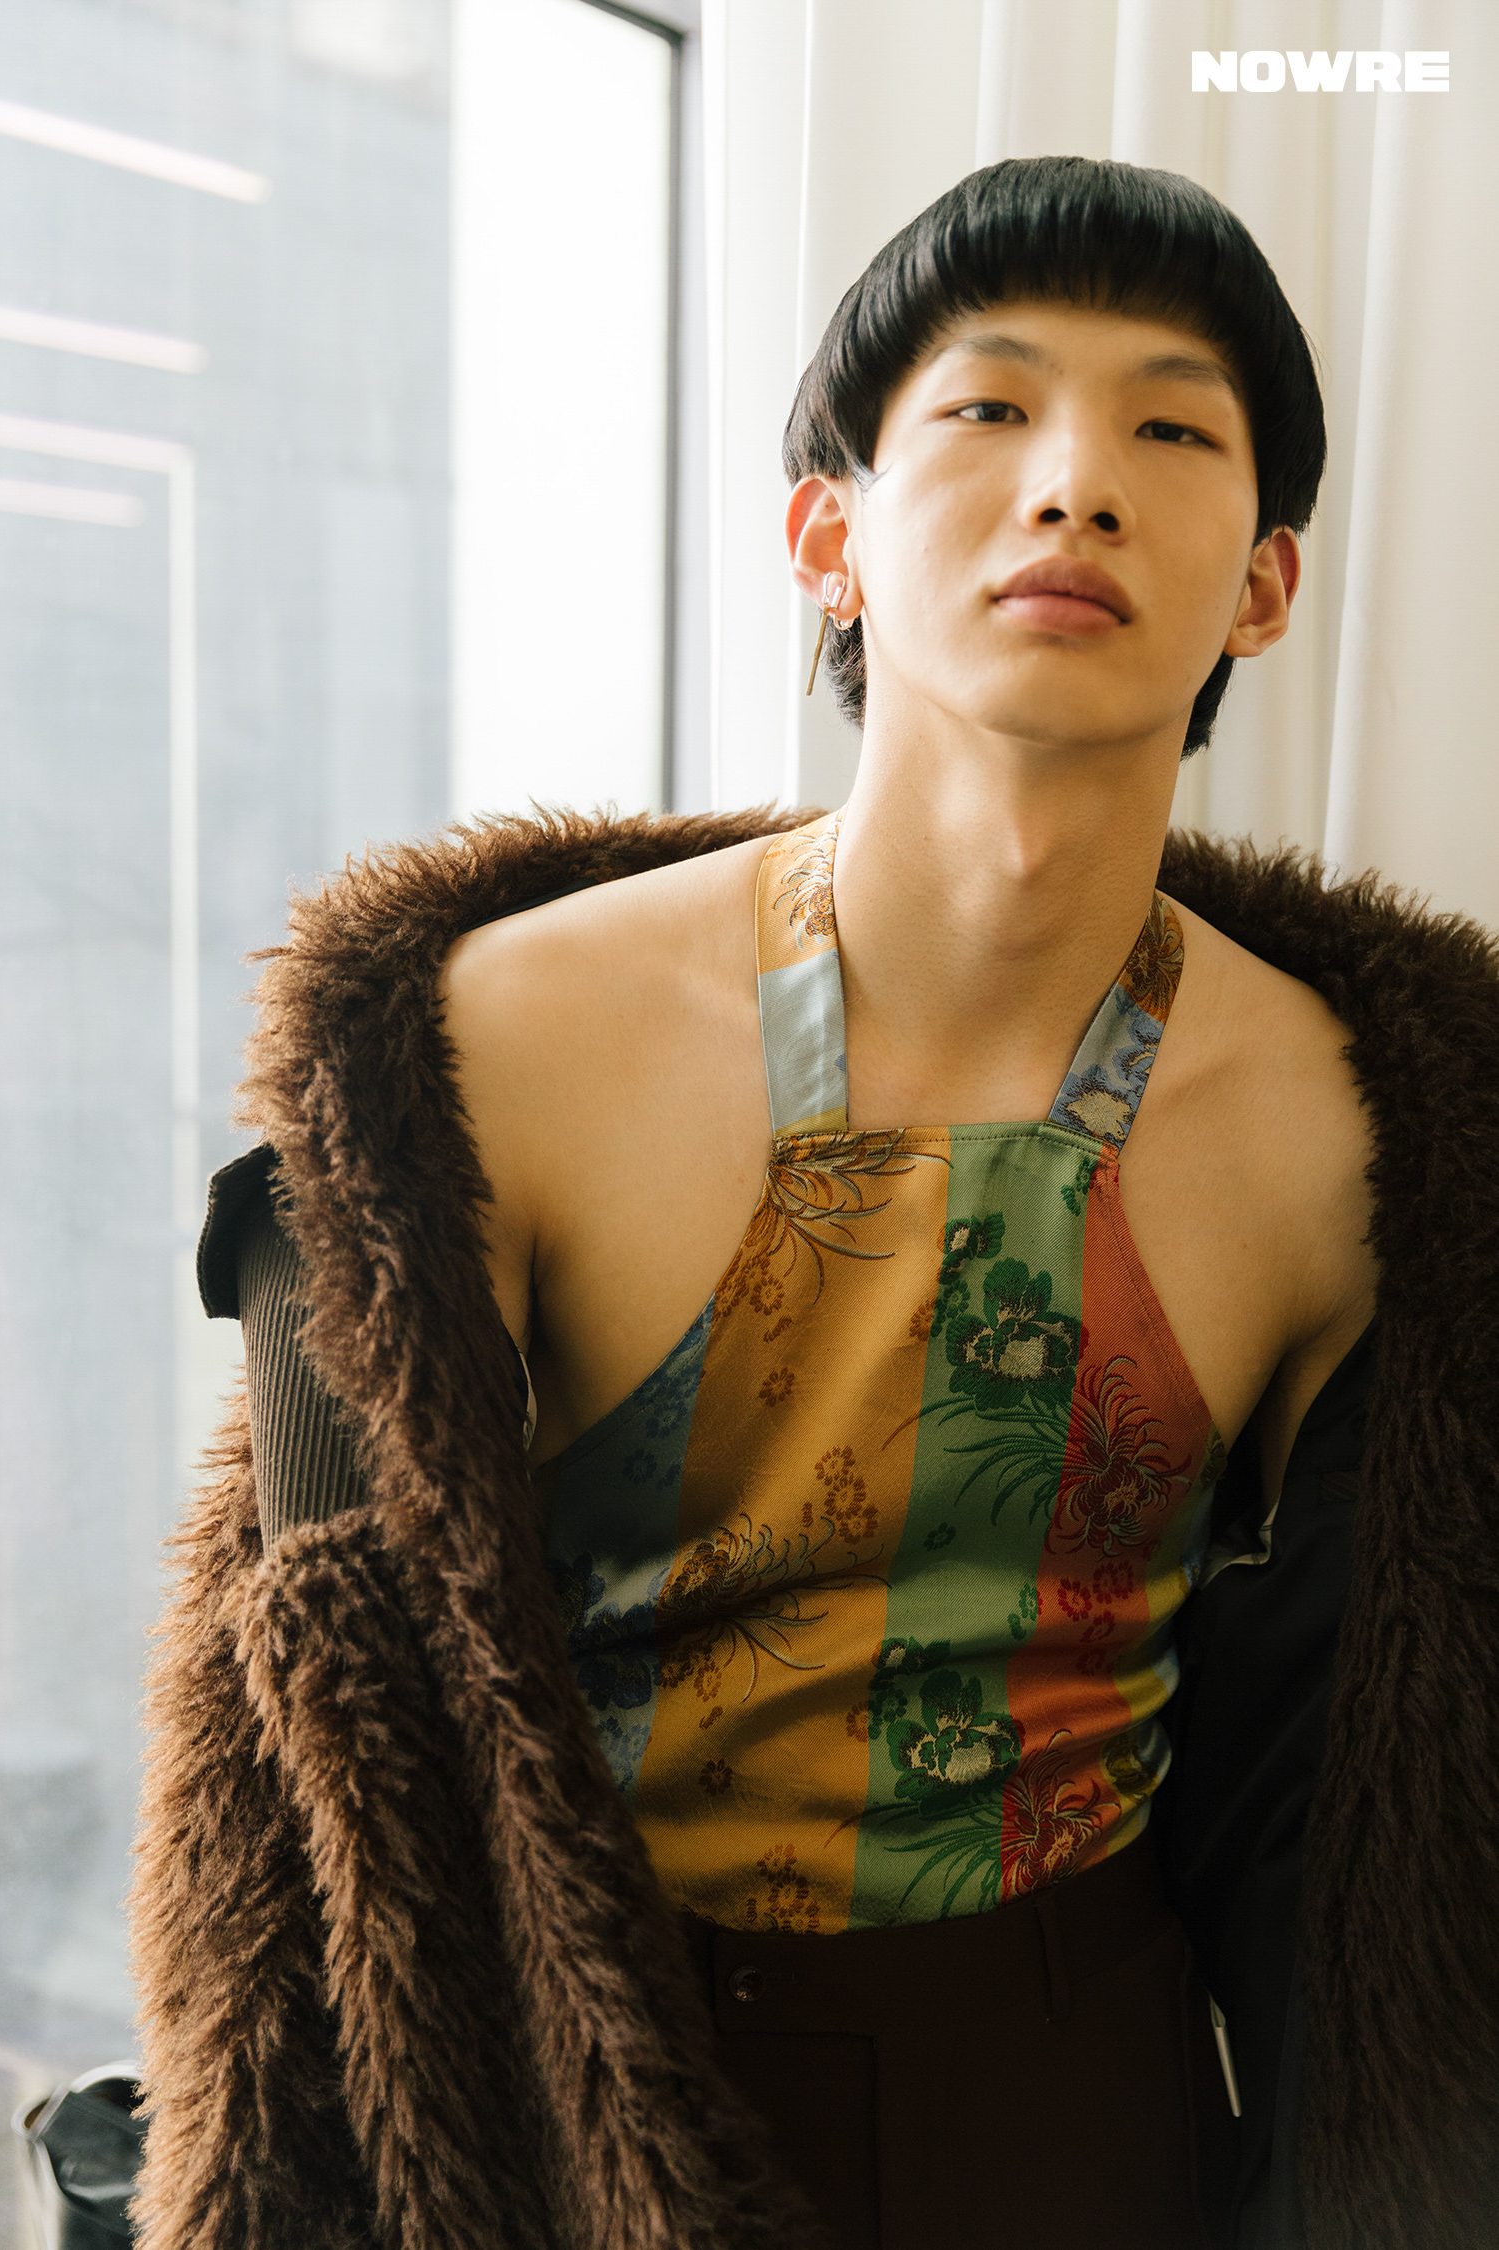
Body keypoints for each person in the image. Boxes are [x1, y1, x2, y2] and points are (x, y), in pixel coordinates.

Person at [130, 159, 1499, 2250]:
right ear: (828, 539)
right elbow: (334, 1779)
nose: (1075, 484)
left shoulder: (1358, 1140)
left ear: (1264, 585)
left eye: (1169, 428)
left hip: (1081, 2098)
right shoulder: (495, 1043)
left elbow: (1367, 1814)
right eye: (989, 408)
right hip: (571, 2105)